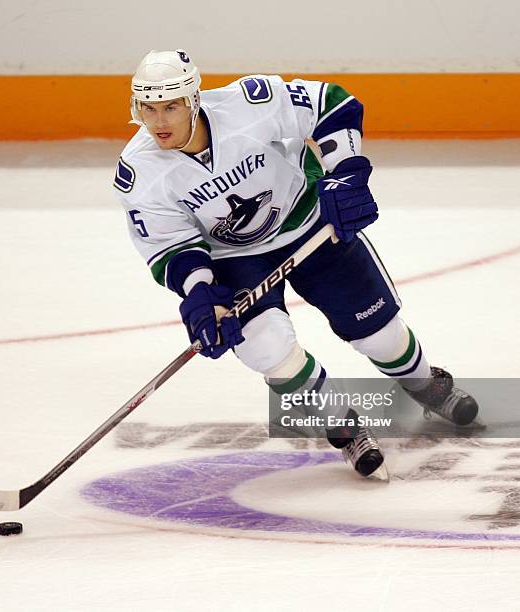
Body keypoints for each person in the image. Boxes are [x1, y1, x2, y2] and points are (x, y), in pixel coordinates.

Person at [113, 49, 479, 479]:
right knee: (265, 347)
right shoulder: (139, 171)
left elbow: (331, 103)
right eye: (149, 108)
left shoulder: (249, 103)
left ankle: (423, 383)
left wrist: (345, 173)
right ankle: (344, 426)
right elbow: (172, 244)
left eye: (171, 106)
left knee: (380, 335)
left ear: (194, 100)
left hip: (308, 225)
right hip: (234, 258)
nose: (159, 122)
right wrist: (200, 294)